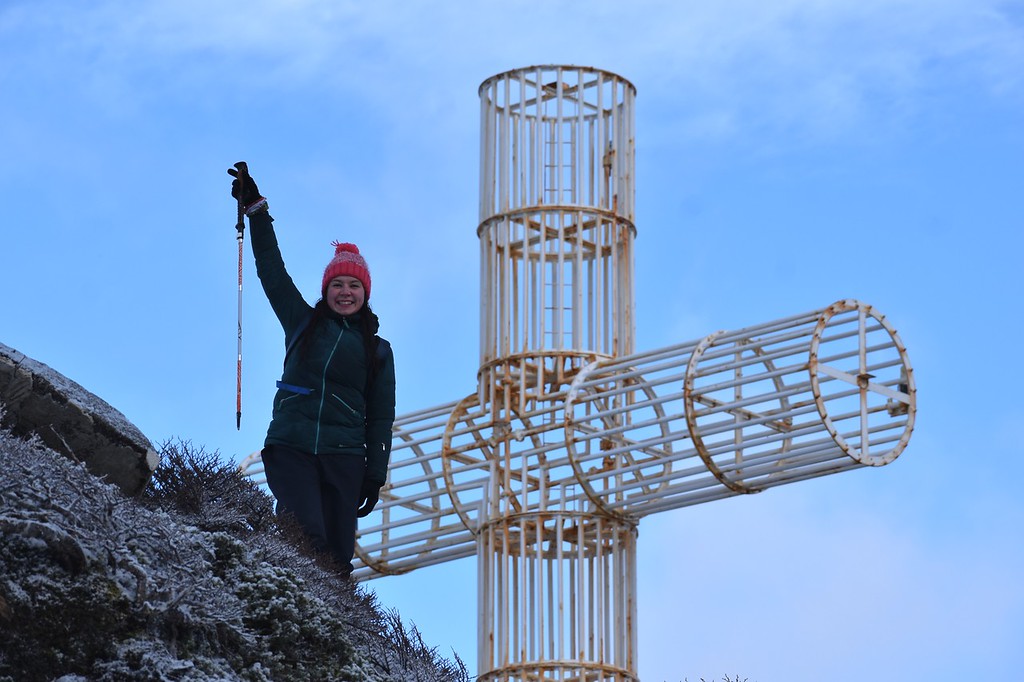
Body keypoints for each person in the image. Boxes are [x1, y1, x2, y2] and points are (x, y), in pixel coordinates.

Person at [228, 161, 395, 576]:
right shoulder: (301, 323)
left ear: (365, 294)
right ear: (326, 289)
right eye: (337, 284)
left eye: (354, 285)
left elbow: (381, 417)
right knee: (305, 537)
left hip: (345, 457)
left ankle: (330, 631)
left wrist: (374, 474)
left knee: (338, 559)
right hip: (292, 447)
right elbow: (271, 270)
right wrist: (256, 211)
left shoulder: (378, 350)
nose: (345, 292)